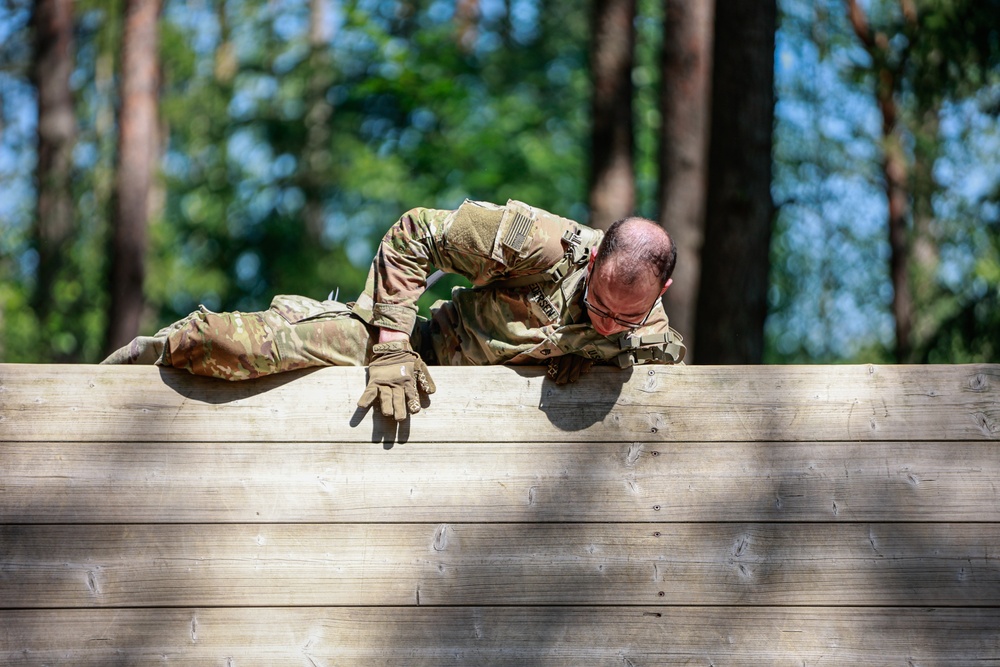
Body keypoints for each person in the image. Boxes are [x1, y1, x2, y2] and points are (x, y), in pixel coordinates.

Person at [103, 199, 685, 420]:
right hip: (424, 350)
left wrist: (597, 360)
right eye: (597, 304)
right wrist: (390, 347)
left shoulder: (651, 343)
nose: (607, 323)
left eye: (622, 318)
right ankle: (155, 352)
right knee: (267, 346)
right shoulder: (539, 243)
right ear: (592, 261)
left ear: (658, 296)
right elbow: (416, 232)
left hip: (487, 422)